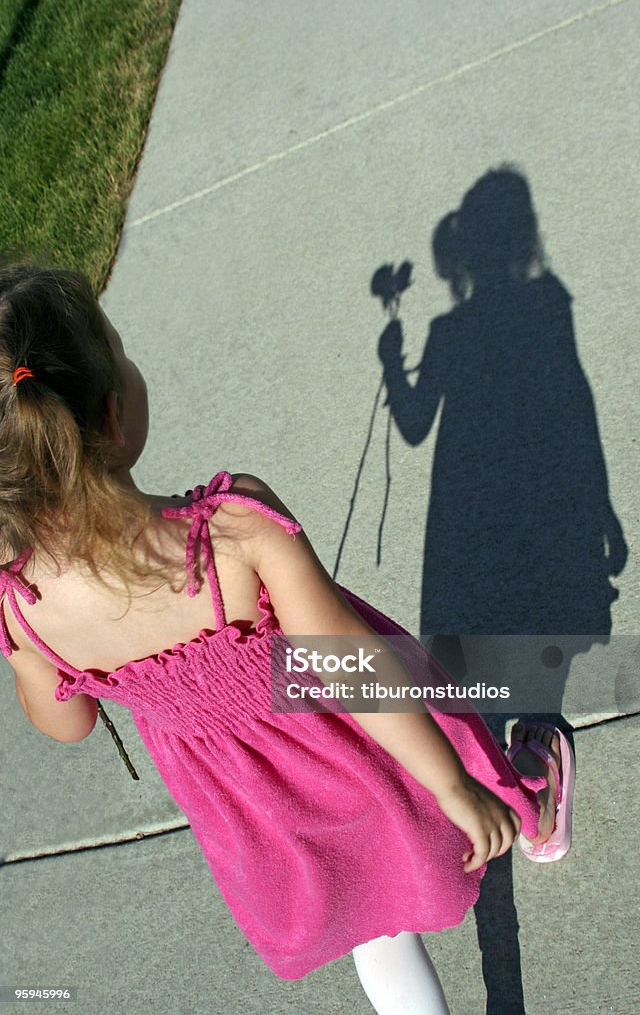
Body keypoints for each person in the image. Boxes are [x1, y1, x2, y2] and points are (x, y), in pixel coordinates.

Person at [0, 262, 574, 1015]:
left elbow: (66, 723)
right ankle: (531, 808)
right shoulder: (231, 529)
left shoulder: (19, 606)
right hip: (350, 753)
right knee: (464, 787)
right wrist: (447, 784)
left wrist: (24, 654)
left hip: (255, 808)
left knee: (380, 926)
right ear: (112, 416)